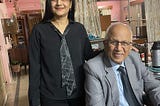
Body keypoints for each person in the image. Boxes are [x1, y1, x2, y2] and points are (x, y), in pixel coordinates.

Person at [28, 0, 95, 106]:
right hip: (50, 97)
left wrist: (112, 50)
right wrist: (34, 102)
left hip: (79, 95)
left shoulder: (79, 29)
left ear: (71, 4)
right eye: (54, 0)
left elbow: (90, 56)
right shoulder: (39, 31)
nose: (59, 3)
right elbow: (34, 70)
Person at [84, 22, 160, 106]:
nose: (119, 48)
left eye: (124, 43)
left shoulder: (134, 58)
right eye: (113, 42)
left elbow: (154, 87)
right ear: (105, 44)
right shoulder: (93, 68)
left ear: (130, 46)